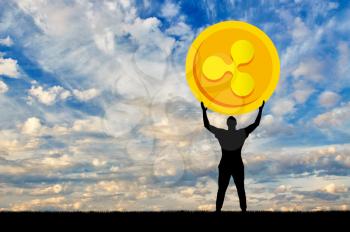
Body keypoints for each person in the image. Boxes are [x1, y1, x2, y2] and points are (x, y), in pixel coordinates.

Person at [201, 101, 265, 212]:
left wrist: (204, 111)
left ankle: (218, 210)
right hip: (236, 165)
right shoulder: (241, 133)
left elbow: (206, 125)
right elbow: (256, 124)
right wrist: (260, 110)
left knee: (222, 189)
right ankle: (243, 210)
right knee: (240, 189)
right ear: (235, 124)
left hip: (225, 165)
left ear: (228, 124)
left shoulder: (222, 133)